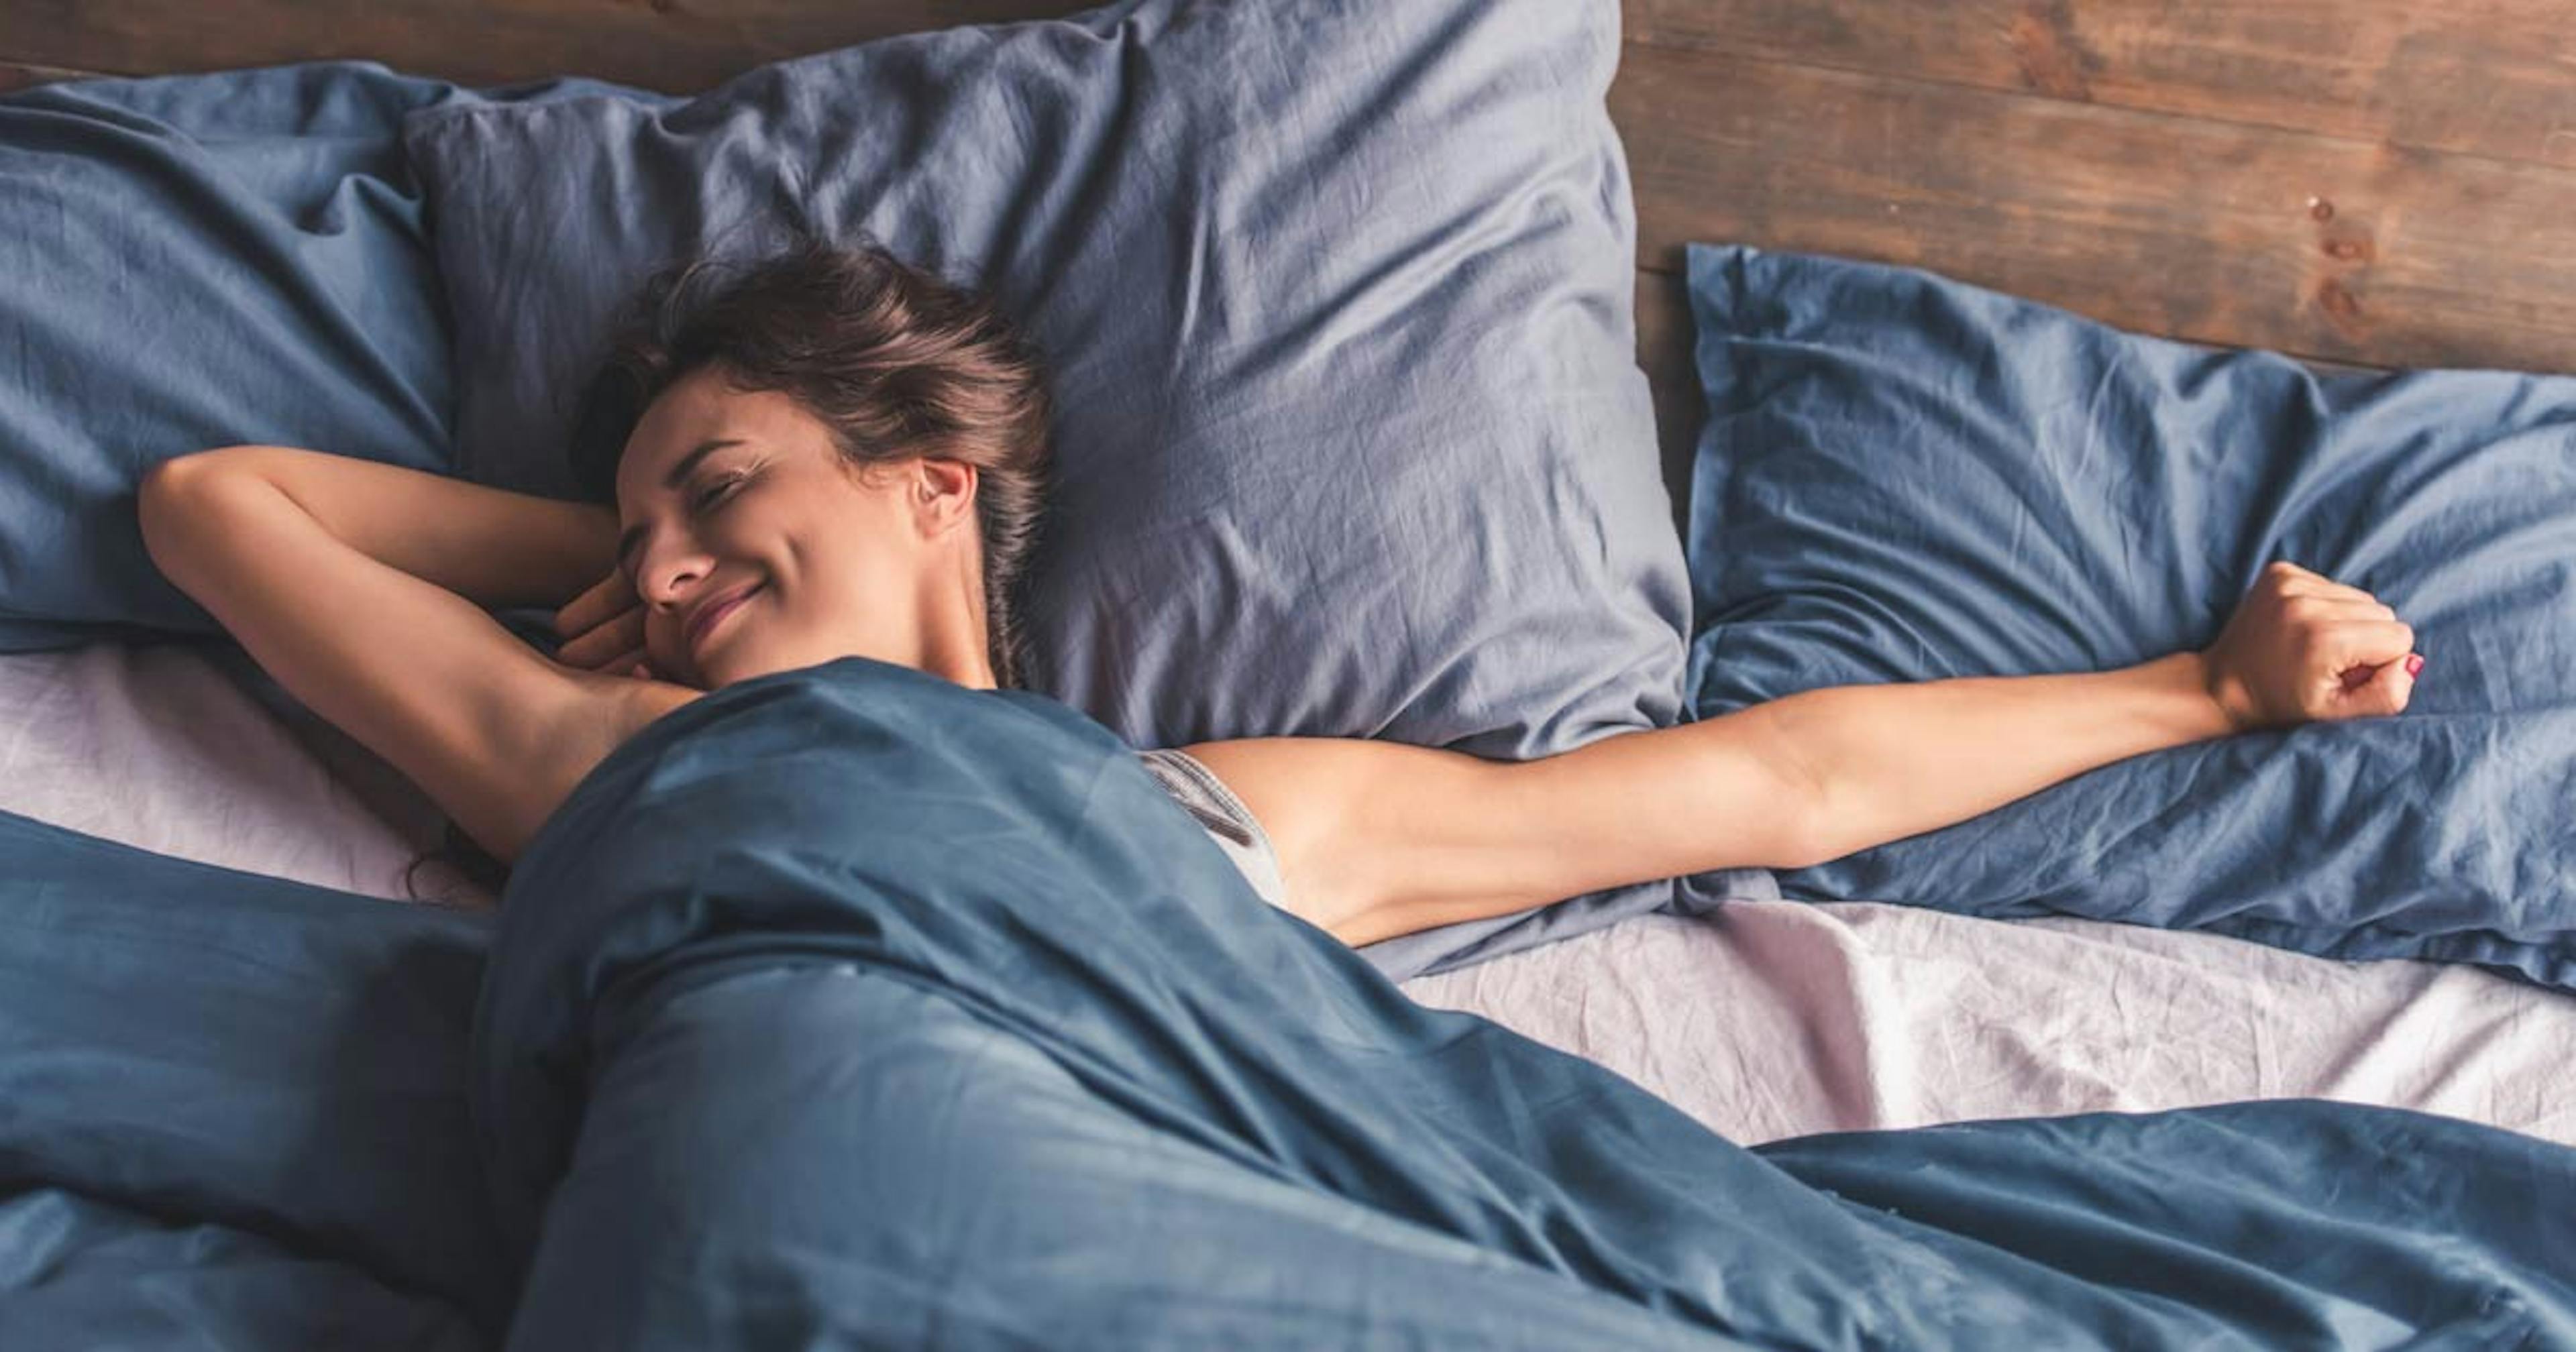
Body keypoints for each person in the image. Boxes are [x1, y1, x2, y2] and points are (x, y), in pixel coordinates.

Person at [136, 241, 2426, 950]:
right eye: (628, 527)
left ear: (935, 487)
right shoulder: (607, 758)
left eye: (720, 480)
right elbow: (212, 502)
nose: (655, 554)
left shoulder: (1224, 813)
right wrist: (649, 570)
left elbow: (1776, 784)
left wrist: (2203, 697)